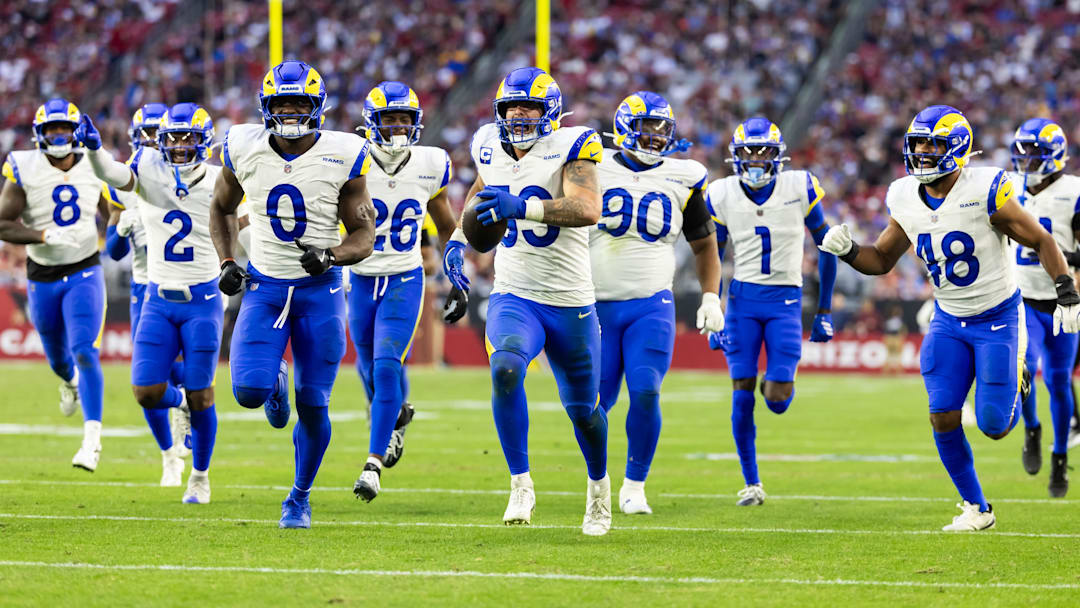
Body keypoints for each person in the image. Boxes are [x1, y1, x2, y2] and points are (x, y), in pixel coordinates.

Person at [820, 105, 1080, 530]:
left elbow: (1042, 238)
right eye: (917, 143)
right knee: (942, 413)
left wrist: (1066, 288)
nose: (922, 152)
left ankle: (1018, 374)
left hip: (998, 315)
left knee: (995, 426)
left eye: (932, 144)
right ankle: (977, 508)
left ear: (957, 148)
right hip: (948, 319)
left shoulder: (986, 188)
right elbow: (882, 259)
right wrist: (849, 251)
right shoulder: (904, 194)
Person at [443, 67, 611, 535]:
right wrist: (458, 239)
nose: (519, 117)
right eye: (512, 108)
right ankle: (520, 483)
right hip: (515, 292)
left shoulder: (575, 146)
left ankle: (598, 490)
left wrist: (527, 207)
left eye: (530, 108)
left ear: (550, 113)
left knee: (583, 411)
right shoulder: (487, 145)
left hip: (571, 300)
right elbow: (481, 191)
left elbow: (587, 207)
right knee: (505, 366)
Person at [208, 60, 375, 528]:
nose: (289, 111)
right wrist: (226, 261)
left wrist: (332, 255)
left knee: (315, 403)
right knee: (247, 392)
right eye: (281, 102)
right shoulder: (243, 146)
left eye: (298, 102)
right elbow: (220, 208)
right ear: (266, 105)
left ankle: (298, 497)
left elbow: (364, 234)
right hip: (264, 287)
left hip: (320, 293)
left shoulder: (344, 153)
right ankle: (273, 380)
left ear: (316, 106)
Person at [78, 102, 224, 503]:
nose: (178, 147)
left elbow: (245, 226)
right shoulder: (148, 166)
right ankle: (181, 410)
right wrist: (94, 150)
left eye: (187, 139)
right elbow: (115, 174)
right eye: (172, 138)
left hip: (203, 298)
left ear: (204, 141)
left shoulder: (221, 178)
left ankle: (200, 476)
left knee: (203, 393)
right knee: (145, 391)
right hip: (158, 297)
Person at [590, 91, 721, 514]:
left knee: (646, 390)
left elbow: (704, 245)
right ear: (626, 127)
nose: (654, 138)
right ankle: (598, 481)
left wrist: (710, 296)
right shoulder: (592, 165)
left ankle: (634, 485)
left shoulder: (684, 176)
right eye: (646, 128)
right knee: (594, 402)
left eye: (661, 130)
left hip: (652, 303)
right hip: (594, 304)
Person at [706, 117, 837, 506]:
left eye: (764, 151)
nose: (757, 159)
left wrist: (824, 308)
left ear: (779, 155)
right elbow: (712, 254)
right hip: (743, 301)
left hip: (785, 301)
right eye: (749, 151)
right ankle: (751, 483)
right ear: (736, 155)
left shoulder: (800, 186)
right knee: (741, 393)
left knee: (778, 399)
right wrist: (713, 305)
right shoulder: (724, 192)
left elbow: (826, 245)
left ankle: (772, 384)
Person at [348, 81, 463, 501]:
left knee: (385, 365)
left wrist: (457, 278)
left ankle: (373, 464)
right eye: (388, 118)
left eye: (404, 119)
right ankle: (394, 415)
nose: (397, 127)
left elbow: (448, 226)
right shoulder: (350, 160)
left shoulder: (431, 163)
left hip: (403, 278)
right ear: (371, 122)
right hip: (359, 279)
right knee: (366, 368)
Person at [0, 98, 109, 471]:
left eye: (65, 128)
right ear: (40, 134)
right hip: (42, 274)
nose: (59, 135)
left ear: (77, 132)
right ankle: (70, 382)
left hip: (84, 269)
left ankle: (92, 440)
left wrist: (113, 236)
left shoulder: (96, 164)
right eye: (52, 129)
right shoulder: (24, 166)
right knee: (59, 359)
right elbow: (2, 222)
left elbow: (114, 210)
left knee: (84, 350)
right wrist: (44, 235)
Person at [103, 103, 192, 485]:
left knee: (185, 367)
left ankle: (188, 405)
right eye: (149, 134)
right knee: (149, 375)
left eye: (162, 133)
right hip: (145, 286)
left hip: (189, 283)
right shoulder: (125, 182)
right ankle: (168, 454)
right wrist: (122, 228)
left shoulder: (192, 176)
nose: (156, 141)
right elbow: (114, 250)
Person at [1008, 118, 1080, 496]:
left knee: (1058, 379)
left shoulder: (1075, 191)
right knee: (1022, 368)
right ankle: (1032, 428)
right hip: (1022, 298)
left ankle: (1058, 457)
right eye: (1022, 152)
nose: (1026, 160)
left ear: (1054, 154)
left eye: (1033, 152)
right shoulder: (1007, 187)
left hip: (1062, 301)